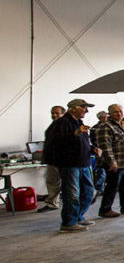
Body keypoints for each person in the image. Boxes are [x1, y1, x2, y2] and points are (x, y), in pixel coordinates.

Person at [47, 99, 98, 232]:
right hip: (70, 165)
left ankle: (77, 216)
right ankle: (69, 222)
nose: (86, 110)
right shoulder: (62, 123)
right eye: (83, 107)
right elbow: (57, 141)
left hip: (83, 163)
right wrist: (75, 133)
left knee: (88, 192)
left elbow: (81, 142)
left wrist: (92, 149)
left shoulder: (78, 123)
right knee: (72, 194)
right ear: (72, 109)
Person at [93, 104, 124, 217]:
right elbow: (105, 146)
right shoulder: (106, 126)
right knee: (112, 186)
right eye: (115, 112)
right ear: (109, 113)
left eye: (120, 111)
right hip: (116, 163)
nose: (119, 114)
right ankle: (105, 209)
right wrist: (112, 162)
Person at [39, 105, 66, 212]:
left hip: (62, 160)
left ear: (63, 114)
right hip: (52, 160)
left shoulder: (64, 125)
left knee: (68, 183)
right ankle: (52, 203)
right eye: (52, 113)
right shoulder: (53, 126)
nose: (54, 115)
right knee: (52, 182)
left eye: (57, 113)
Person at [90, 111, 109, 199]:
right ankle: (99, 188)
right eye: (105, 117)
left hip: (109, 151)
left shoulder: (109, 126)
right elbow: (93, 141)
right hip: (100, 152)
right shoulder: (94, 128)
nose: (107, 118)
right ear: (100, 118)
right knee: (101, 171)